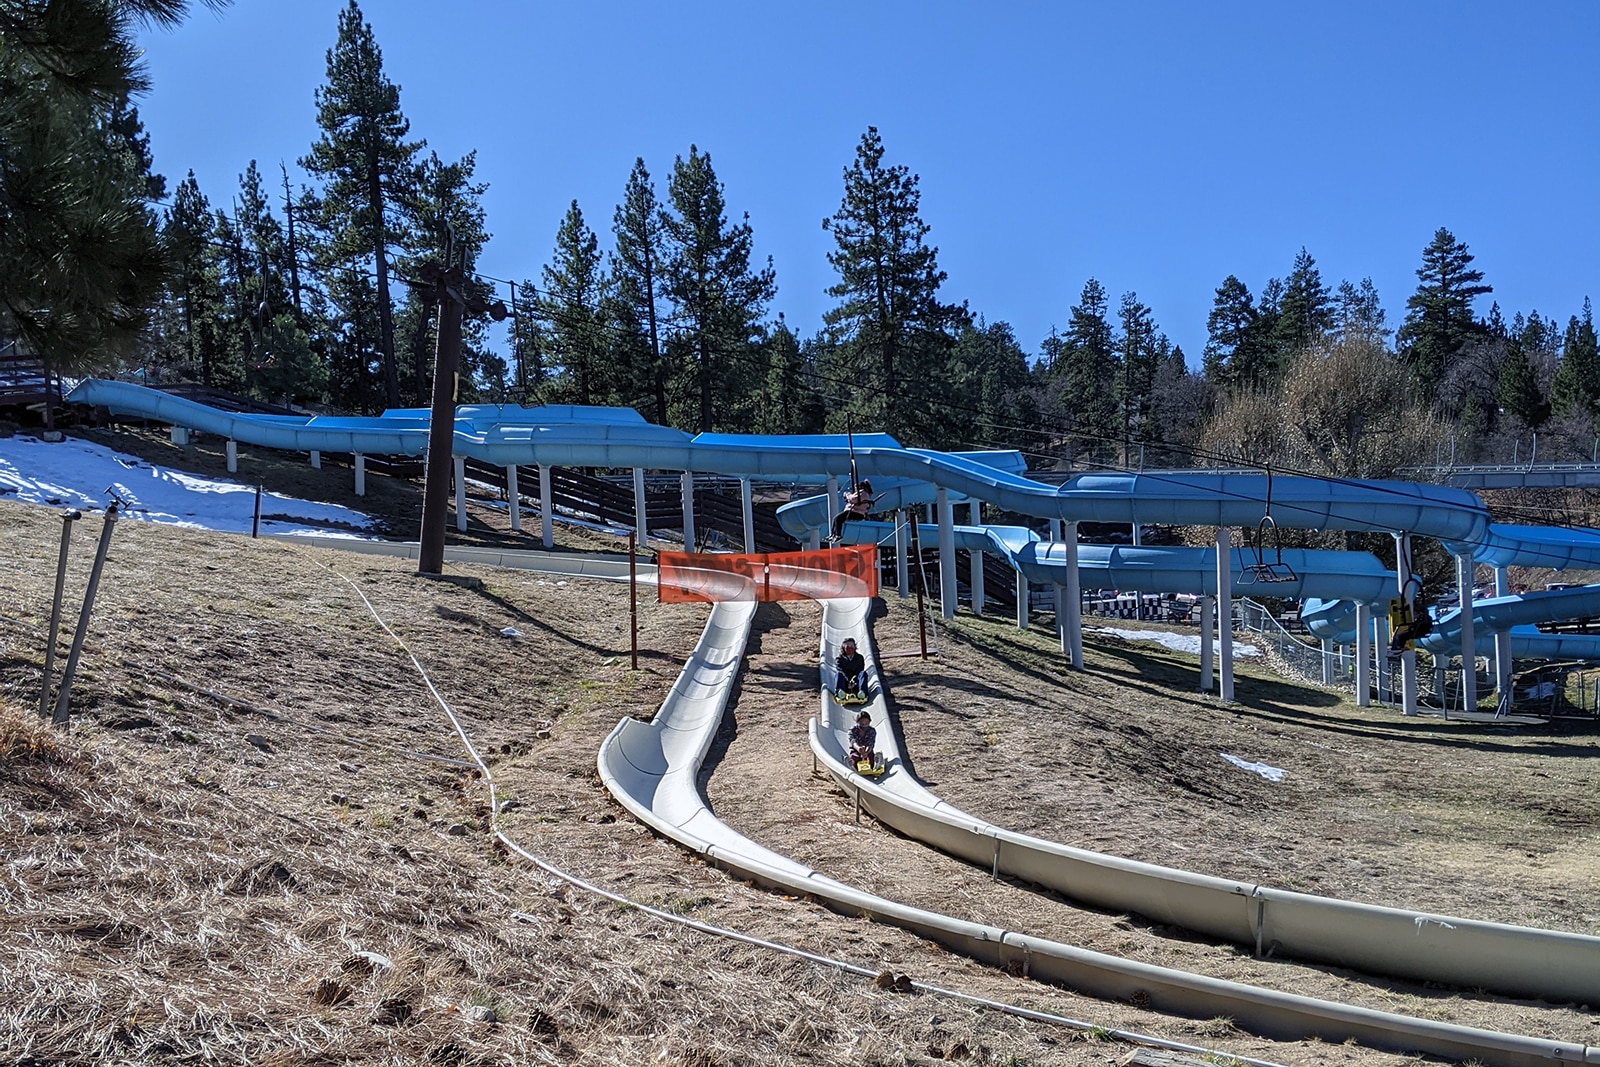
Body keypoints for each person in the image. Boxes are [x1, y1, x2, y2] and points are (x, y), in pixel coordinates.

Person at [829, 479, 874, 543]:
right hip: (856, 512)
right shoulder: (866, 494)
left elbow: (852, 499)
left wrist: (847, 494)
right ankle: (833, 534)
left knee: (838, 519)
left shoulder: (862, 493)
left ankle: (837, 535)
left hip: (855, 512)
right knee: (837, 519)